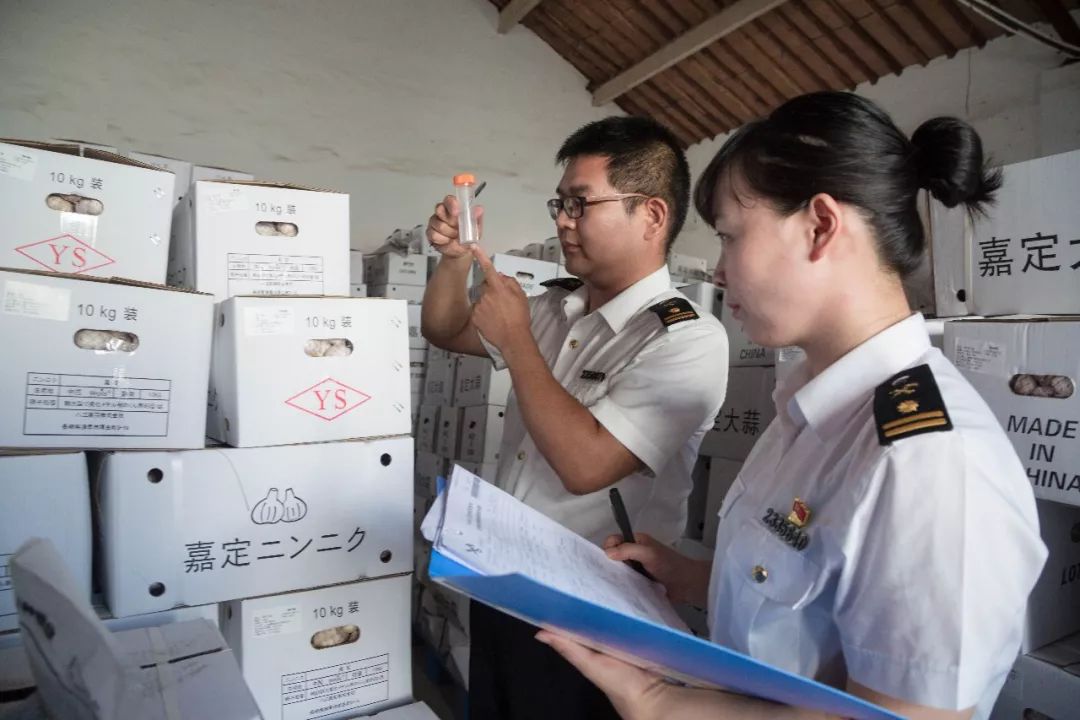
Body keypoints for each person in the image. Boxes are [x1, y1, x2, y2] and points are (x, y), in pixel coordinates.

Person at [536, 92, 1048, 720]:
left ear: (821, 226)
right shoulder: (815, 410)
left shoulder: (927, 461)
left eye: (730, 236)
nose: (719, 272)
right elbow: (810, 601)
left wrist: (657, 700)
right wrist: (691, 578)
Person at [421, 115, 729, 720]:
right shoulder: (554, 308)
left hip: (597, 619)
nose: (562, 220)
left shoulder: (686, 340)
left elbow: (586, 465)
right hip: (505, 582)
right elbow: (443, 329)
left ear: (652, 216)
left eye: (581, 204)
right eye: (560, 203)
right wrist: (456, 259)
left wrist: (517, 343)